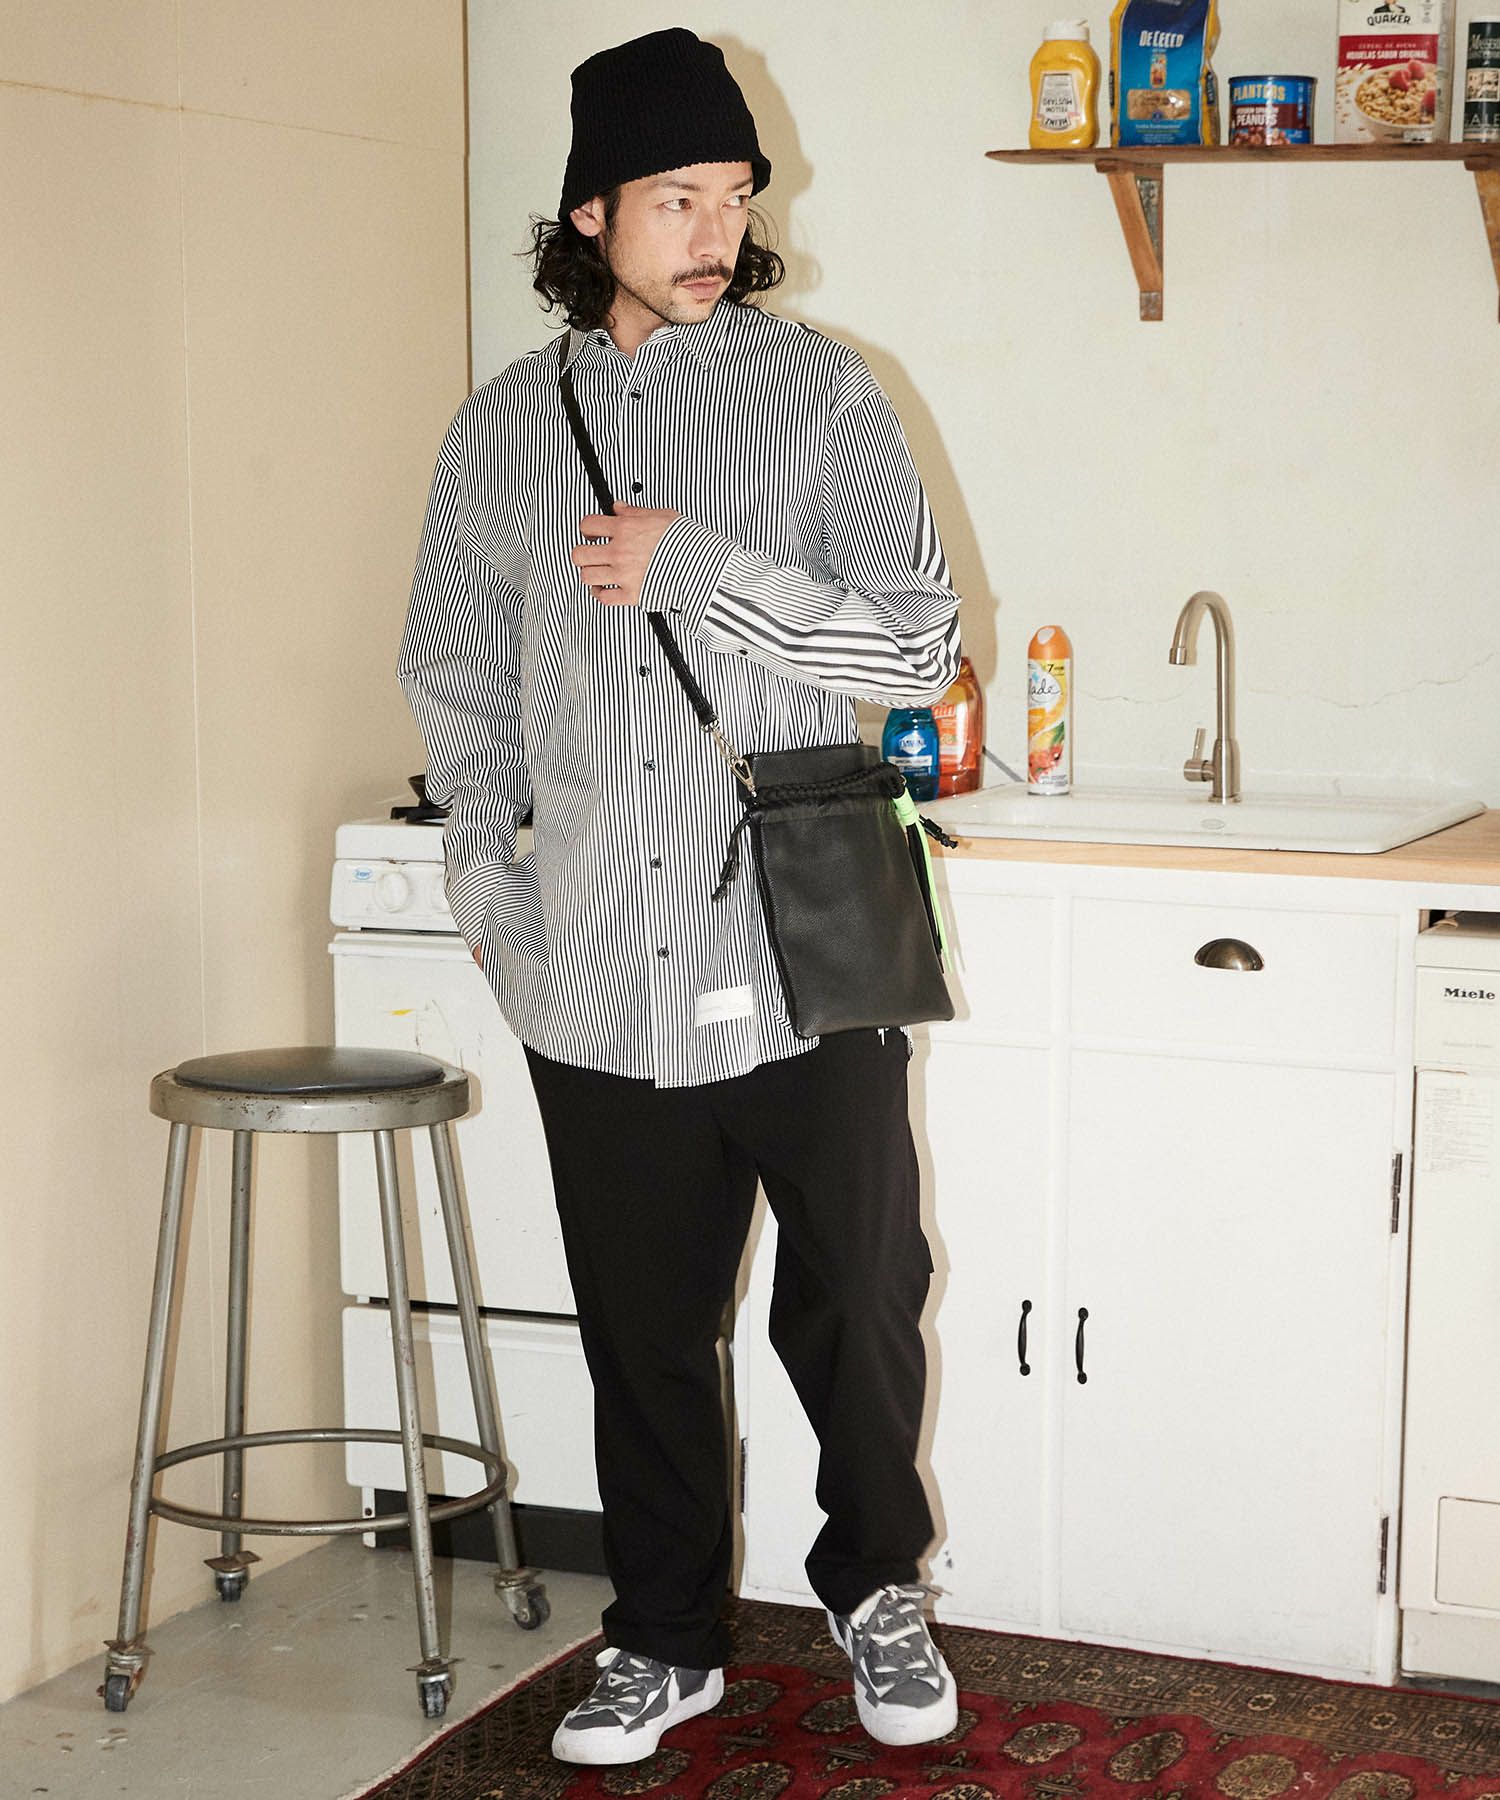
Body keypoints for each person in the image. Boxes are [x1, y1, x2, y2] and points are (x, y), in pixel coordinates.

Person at [399, 25, 964, 1769]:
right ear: (591, 214)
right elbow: (457, 686)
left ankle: (877, 1590)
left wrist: (697, 567)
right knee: (641, 1332)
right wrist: (489, 895)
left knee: (857, 1301)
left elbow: (918, 644)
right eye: (675, 199)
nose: (716, 232)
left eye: (733, 196)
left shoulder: (823, 393)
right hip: (592, 965)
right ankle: (662, 1637)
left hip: (803, 947)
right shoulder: (502, 432)